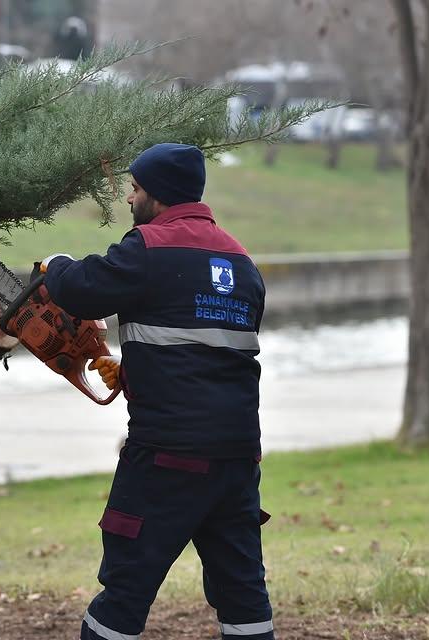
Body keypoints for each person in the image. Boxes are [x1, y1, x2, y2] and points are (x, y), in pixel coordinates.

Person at [41, 143, 274, 640]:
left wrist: (54, 264)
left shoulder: (149, 246)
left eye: (136, 187)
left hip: (167, 456)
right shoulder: (242, 261)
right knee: (243, 593)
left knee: (125, 589)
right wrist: (138, 372)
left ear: (157, 195)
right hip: (236, 460)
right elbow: (214, 353)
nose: (129, 197)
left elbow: (82, 288)